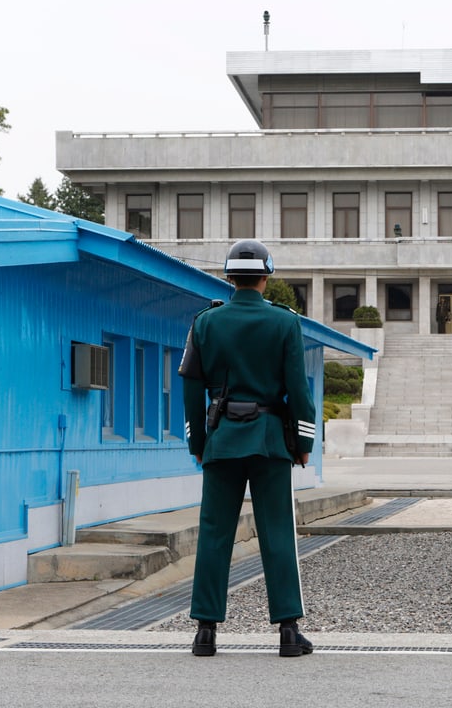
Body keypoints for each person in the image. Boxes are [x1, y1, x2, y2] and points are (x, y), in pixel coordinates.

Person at [179, 239, 317, 657]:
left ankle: (205, 631)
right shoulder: (285, 323)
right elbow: (298, 389)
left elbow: (191, 387)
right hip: (271, 440)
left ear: (228, 276)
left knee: (214, 533)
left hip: (221, 441)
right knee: (277, 532)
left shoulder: (205, 322)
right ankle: (289, 632)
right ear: (267, 276)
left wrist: (198, 444)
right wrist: (305, 440)